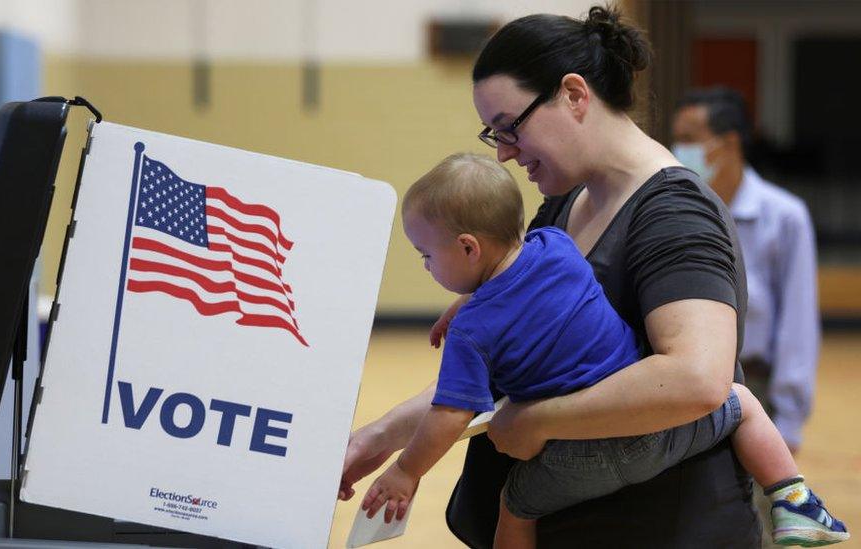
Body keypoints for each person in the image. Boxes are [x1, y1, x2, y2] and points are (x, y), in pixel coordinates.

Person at [339, 6, 760, 547]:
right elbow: (488, 368)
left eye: (511, 128)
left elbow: (697, 379)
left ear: (574, 94)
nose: (508, 154)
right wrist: (377, 439)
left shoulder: (673, 212)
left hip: (658, 528)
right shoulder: (564, 201)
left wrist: (538, 421)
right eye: (494, 136)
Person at [358, 152, 847, 547]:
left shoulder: (472, 335)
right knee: (742, 403)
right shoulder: (555, 244)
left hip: (581, 452)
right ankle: (795, 500)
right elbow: (518, 278)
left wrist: (405, 471)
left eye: (426, 254)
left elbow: (451, 413)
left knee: (516, 503)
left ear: (468, 248)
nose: (425, 265)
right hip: (656, 422)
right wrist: (469, 299)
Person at [672, 86, 822, 548]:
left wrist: (790, 418)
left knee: (761, 519)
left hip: (757, 390)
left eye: (690, 138)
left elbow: (798, 322)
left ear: (729, 143)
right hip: (686, 386)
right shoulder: (675, 207)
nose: (681, 151)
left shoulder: (783, 216)